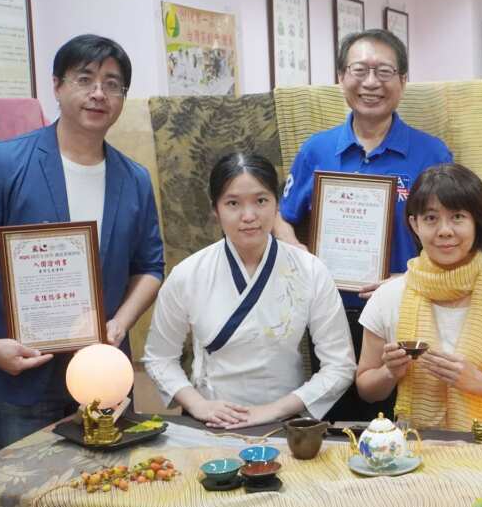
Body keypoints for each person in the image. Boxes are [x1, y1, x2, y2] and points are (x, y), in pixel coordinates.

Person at [0, 34, 164, 451]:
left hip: (103, 373)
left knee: (108, 483)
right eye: (85, 79)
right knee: (23, 488)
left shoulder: (134, 179)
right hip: (23, 373)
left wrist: (119, 323)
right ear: (57, 86)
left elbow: (149, 267)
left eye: (112, 84)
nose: (99, 93)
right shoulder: (3, 163)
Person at [274, 29, 452, 422]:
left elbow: (455, 237)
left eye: (384, 71)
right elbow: (283, 217)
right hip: (330, 316)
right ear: (341, 77)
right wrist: (300, 253)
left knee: (403, 426)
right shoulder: (316, 150)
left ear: (403, 81)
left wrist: (408, 279)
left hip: (404, 314)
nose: (371, 82)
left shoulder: (431, 152)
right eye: (359, 70)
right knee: (335, 427)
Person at [143, 153, 354, 428]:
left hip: (286, 419)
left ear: (277, 204)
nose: (249, 216)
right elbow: (159, 358)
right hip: (211, 418)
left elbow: (340, 365)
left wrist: (274, 410)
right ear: (215, 210)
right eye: (233, 203)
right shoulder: (187, 274)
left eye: (261, 201)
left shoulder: (310, 270)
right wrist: (198, 405)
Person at [356, 163, 482, 431]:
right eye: (431, 218)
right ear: (414, 224)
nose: (445, 230)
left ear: (477, 222)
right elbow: (367, 390)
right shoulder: (388, 298)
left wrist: (477, 382)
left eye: (458, 217)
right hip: (415, 448)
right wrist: (389, 372)